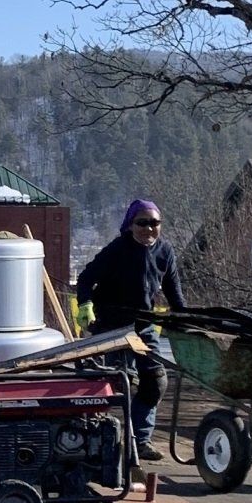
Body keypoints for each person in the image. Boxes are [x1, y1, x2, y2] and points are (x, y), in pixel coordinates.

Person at [75, 197, 186, 462]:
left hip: (144, 326)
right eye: (142, 223)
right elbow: (86, 278)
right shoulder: (117, 249)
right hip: (112, 325)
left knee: (155, 381)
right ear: (130, 225)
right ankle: (100, 441)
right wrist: (85, 304)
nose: (149, 228)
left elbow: (174, 291)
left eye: (155, 223)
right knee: (115, 382)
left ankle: (140, 440)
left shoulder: (165, 252)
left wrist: (186, 319)